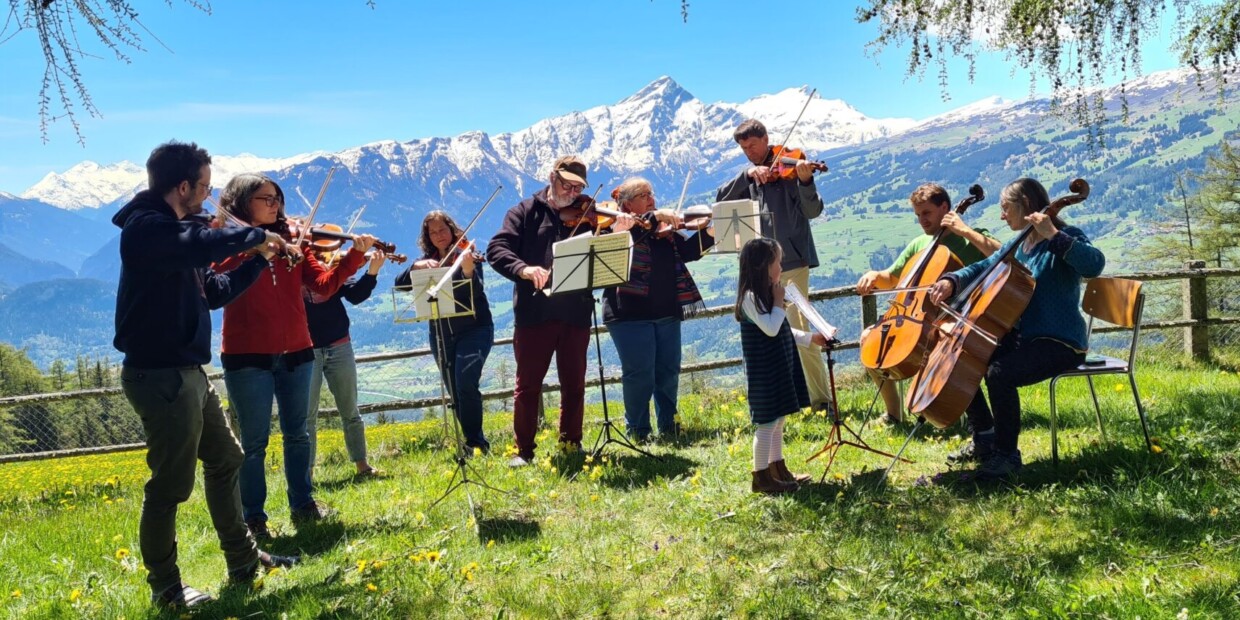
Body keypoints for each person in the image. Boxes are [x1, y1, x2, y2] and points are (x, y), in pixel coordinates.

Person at [113, 141, 296, 609]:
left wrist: (258, 259)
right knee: (170, 486)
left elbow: (214, 291)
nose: (209, 199)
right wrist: (253, 236)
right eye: (205, 188)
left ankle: (243, 560)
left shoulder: (175, 233)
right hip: (161, 376)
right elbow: (197, 242)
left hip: (189, 371)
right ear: (183, 186)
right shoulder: (147, 230)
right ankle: (168, 590)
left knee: (227, 458)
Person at [213, 173, 373, 539]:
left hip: (298, 350)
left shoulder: (293, 242)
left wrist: (354, 256)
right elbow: (214, 280)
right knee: (252, 442)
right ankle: (254, 517)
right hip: (246, 354)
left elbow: (325, 286)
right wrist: (252, 249)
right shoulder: (225, 244)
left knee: (297, 433)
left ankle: (303, 503)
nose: (276, 205)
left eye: (277, 199)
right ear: (241, 203)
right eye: (265, 199)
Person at [927, 178, 1105, 480]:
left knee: (1000, 372)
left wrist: (1055, 236)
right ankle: (984, 437)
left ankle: (1006, 455)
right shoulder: (1020, 243)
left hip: (1061, 343)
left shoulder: (1065, 235)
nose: (1001, 216)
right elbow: (987, 265)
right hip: (1025, 337)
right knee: (966, 355)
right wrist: (952, 280)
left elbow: (1095, 265)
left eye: (1005, 208)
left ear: (1024, 206)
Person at [486, 156, 638, 466]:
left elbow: (604, 252)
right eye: (566, 184)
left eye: (578, 187)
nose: (572, 192)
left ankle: (571, 444)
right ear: (552, 177)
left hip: (576, 310)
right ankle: (523, 451)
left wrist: (620, 233)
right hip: (534, 313)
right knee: (528, 385)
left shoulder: (589, 214)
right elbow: (496, 249)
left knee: (575, 384)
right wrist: (524, 269)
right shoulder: (524, 212)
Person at [715, 119, 834, 413]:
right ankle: (791, 400)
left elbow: (812, 211)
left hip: (791, 260)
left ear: (766, 138)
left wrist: (806, 181)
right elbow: (720, 201)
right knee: (772, 333)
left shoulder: (791, 170)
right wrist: (747, 175)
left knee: (799, 328)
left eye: (753, 146)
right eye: (744, 149)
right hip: (761, 267)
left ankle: (821, 400)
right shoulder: (751, 175)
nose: (749, 152)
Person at [855, 183, 1000, 423]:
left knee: (942, 343)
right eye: (918, 215)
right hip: (917, 317)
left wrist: (964, 231)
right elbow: (892, 278)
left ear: (945, 207)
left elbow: (1003, 254)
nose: (922, 220)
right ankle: (893, 413)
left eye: (926, 213)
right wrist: (873, 275)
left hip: (958, 318)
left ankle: (963, 415)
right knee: (868, 339)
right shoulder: (919, 244)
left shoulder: (969, 238)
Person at [603, 178, 713, 442]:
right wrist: (655, 216)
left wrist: (709, 233)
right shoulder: (618, 228)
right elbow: (627, 245)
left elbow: (687, 251)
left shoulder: (662, 228)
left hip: (666, 310)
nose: (651, 199)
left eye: (651, 194)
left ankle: (669, 425)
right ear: (628, 204)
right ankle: (639, 431)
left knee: (668, 372)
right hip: (628, 314)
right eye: (644, 195)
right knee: (639, 375)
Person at [395, 211, 495, 454]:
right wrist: (414, 267)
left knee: (465, 383)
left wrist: (469, 270)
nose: (438, 235)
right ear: (427, 237)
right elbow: (400, 284)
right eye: (433, 232)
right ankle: (473, 440)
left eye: (442, 230)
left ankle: (476, 442)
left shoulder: (465, 254)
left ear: (451, 230)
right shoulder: (427, 261)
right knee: (454, 389)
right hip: (440, 332)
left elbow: (476, 290)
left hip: (475, 328)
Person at [735, 237, 829, 494]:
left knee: (778, 420)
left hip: (779, 368)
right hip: (764, 373)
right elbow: (770, 327)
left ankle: (778, 469)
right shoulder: (750, 298)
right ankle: (761, 477)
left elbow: (784, 331)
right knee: (766, 424)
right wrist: (778, 302)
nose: (781, 266)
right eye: (778, 261)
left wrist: (811, 338)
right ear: (763, 265)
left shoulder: (767, 294)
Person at [304, 242, 387, 477]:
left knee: (350, 409)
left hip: (339, 345)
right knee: (307, 415)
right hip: (306, 349)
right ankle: (306, 472)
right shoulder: (295, 269)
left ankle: (362, 465)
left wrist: (372, 272)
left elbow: (355, 295)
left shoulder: (334, 271)